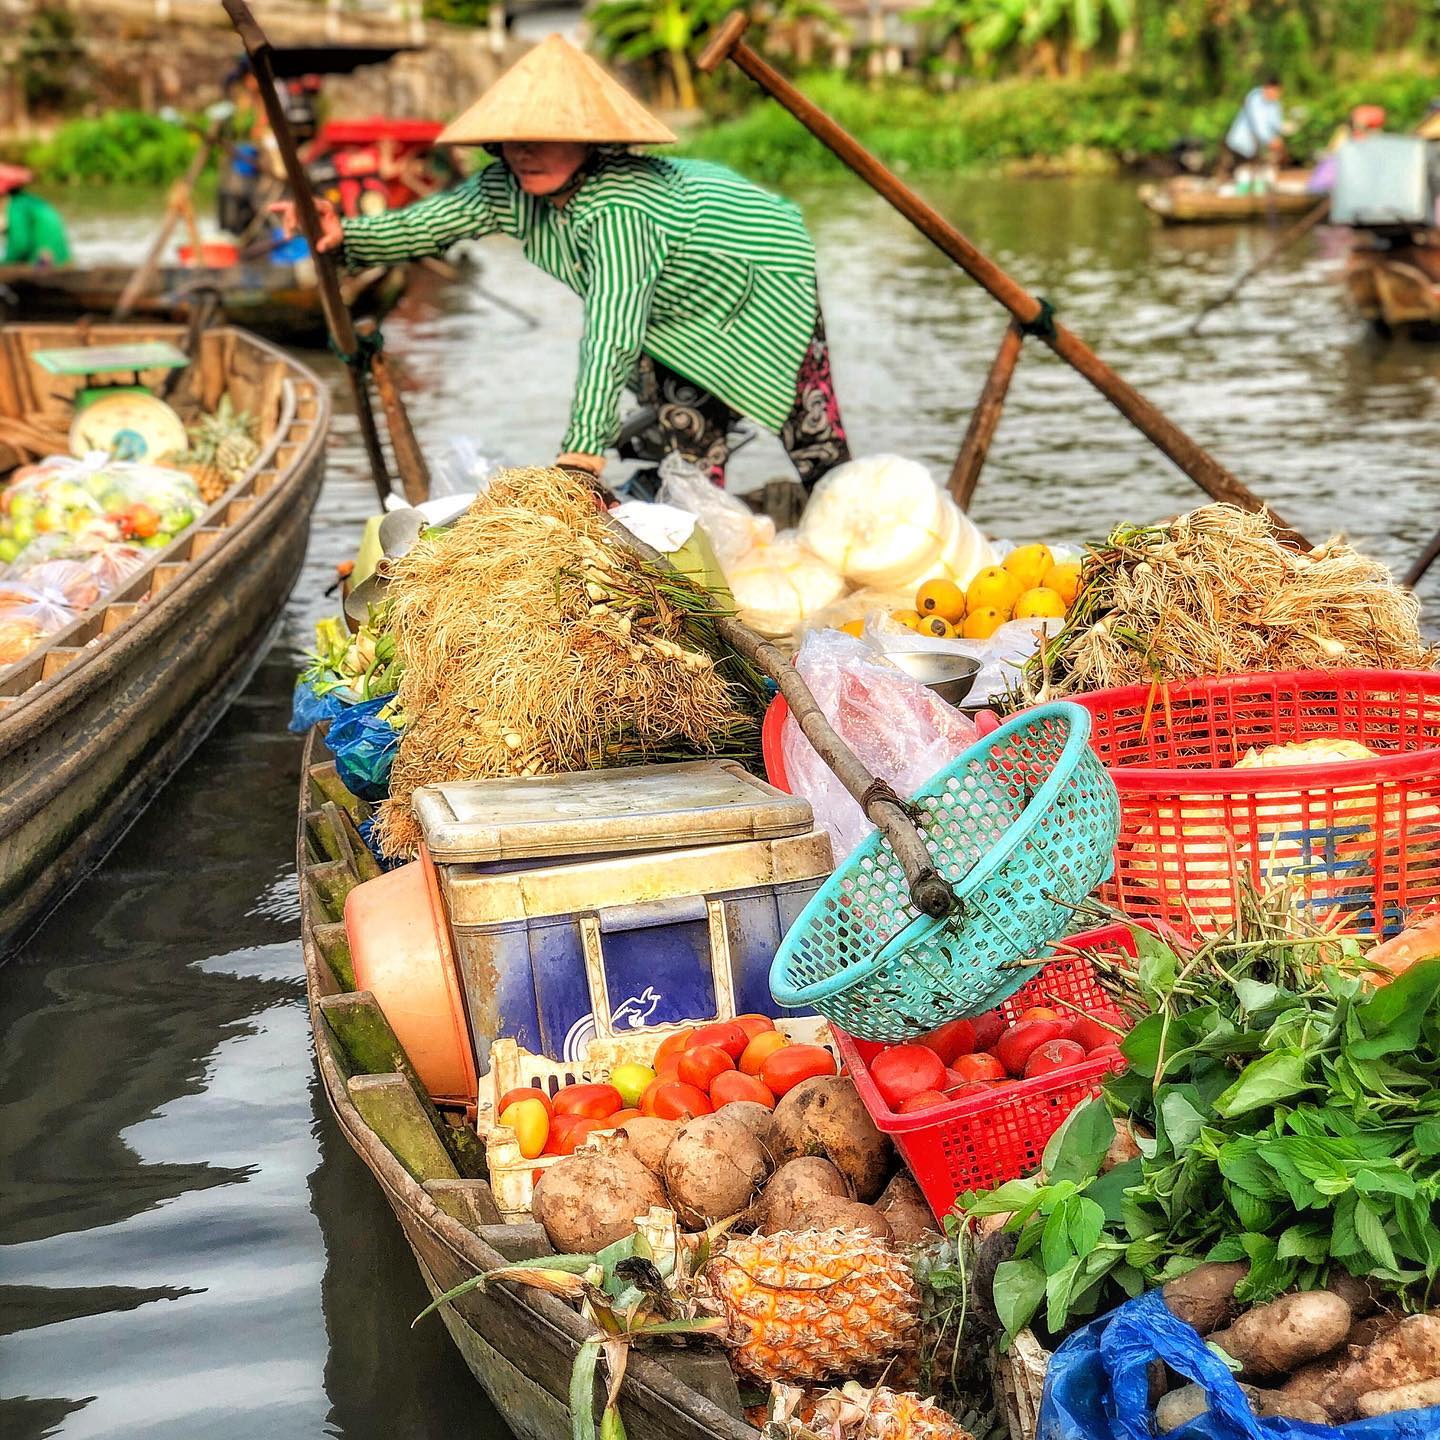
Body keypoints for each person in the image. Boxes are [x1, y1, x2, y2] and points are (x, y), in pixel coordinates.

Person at [273, 35, 850, 489]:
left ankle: (852, 517)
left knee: (812, 434)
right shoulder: (508, 187)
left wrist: (581, 451)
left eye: (545, 137)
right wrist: (344, 234)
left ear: (591, 142)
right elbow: (424, 224)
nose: (525, 151)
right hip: (673, 314)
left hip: (758, 276)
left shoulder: (621, 209)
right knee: (688, 444)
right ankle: (694, 562)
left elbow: (611, 329)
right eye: (514, 139)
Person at [0, 165, 70, 266]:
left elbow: (20, 245)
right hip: (62, 260)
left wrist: (4, 264)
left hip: (43, 264)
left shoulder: (16, 206)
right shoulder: (31, 201)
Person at [1221, 76, 1286, 176]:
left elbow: (1276, 123)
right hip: (1241, 144)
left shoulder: (1274, 104)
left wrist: (1282, 133)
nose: (1276, 95)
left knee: (1257, 175)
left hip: (1257, 146)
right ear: (1267, 88)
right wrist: (1270, 140)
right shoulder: (1255, 99)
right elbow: (1258, 123)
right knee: (1241, 173)